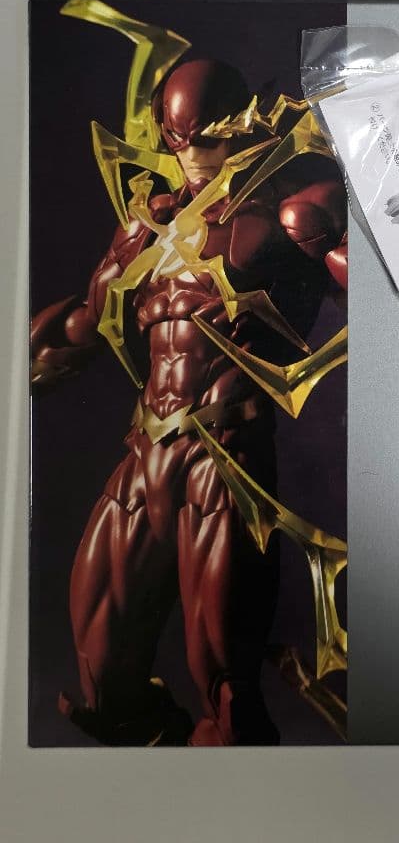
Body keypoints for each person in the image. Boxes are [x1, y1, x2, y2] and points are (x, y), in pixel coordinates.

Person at [30, 58, 347, 746]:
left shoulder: (287, 209)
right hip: (146, 450)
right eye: (179, 139)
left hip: (225, 458)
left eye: (206, 136)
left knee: (225, 684)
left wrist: (342, 235)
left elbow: (377, 289)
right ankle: (164, 765)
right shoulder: (146, 229)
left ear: (239, 126)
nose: (193, 152)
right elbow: (86, 323)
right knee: (101, 676)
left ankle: (234, 784)